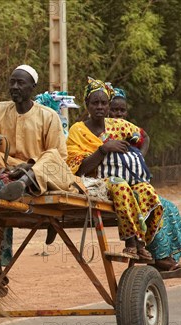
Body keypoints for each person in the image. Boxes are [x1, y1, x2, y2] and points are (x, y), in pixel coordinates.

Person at [67, 77, 162, 261]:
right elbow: (77, 170)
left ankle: (141, 243)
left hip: (125, 179)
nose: (100, 107)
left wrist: (139, 156)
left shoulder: (118, 125)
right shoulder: (77, 130)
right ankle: (130, 242)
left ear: (108, 105)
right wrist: (103, 149)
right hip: (95, 183)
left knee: (147, 190)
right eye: (95, 103)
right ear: (87, 104)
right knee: (120, 186)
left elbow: (144, 137)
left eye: (104, 103)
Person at [0, 65, 78, 201]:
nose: (14, 86)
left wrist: (30, 167)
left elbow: (59, 156)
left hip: (35, 171)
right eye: (12, 82)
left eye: (20, 83)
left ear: (33, 87)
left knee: (52, 155)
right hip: (4, 167)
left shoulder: (49, 116)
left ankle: (20, 185)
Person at [109, 87, 181, 276]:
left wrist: (140, 156)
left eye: (122, 110)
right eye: (114, 109)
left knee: (167, 207)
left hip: (133, 181)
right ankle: (160, 260)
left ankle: (163, 257)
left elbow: (145, 136)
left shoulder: (127, 127)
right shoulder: (102, 128)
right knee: (149, 203)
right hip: (115, 183)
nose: (118, 114)